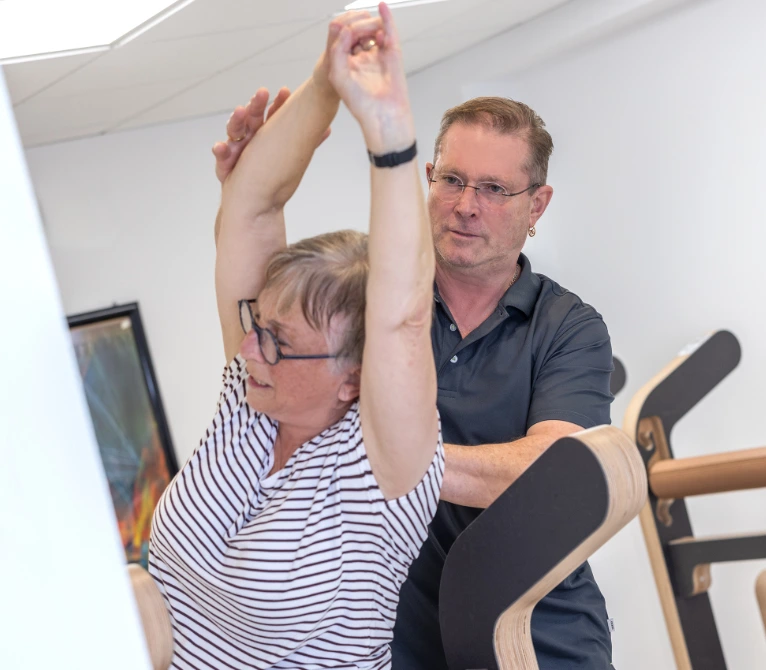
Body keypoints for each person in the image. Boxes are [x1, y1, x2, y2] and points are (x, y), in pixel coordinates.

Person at [214, 44, 614, 670]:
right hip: (398, 637)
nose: (465, 205)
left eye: (493, 188)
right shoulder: (370, 299)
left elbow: (553, 473)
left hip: (540, 637)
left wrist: (378, 460)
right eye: (451, 179)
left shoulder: (569, 328)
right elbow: (261, 279)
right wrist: (247, 182)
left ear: (536, 205)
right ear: (429, 177)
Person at [149, 6, 444, 669]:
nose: (247, 348)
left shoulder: (382, 471)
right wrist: (326, 77)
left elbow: (401, 315)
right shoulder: (248, 401)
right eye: (258, 327)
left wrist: (389, 134)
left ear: (355, 375)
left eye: (276, 340)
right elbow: (250, 208)